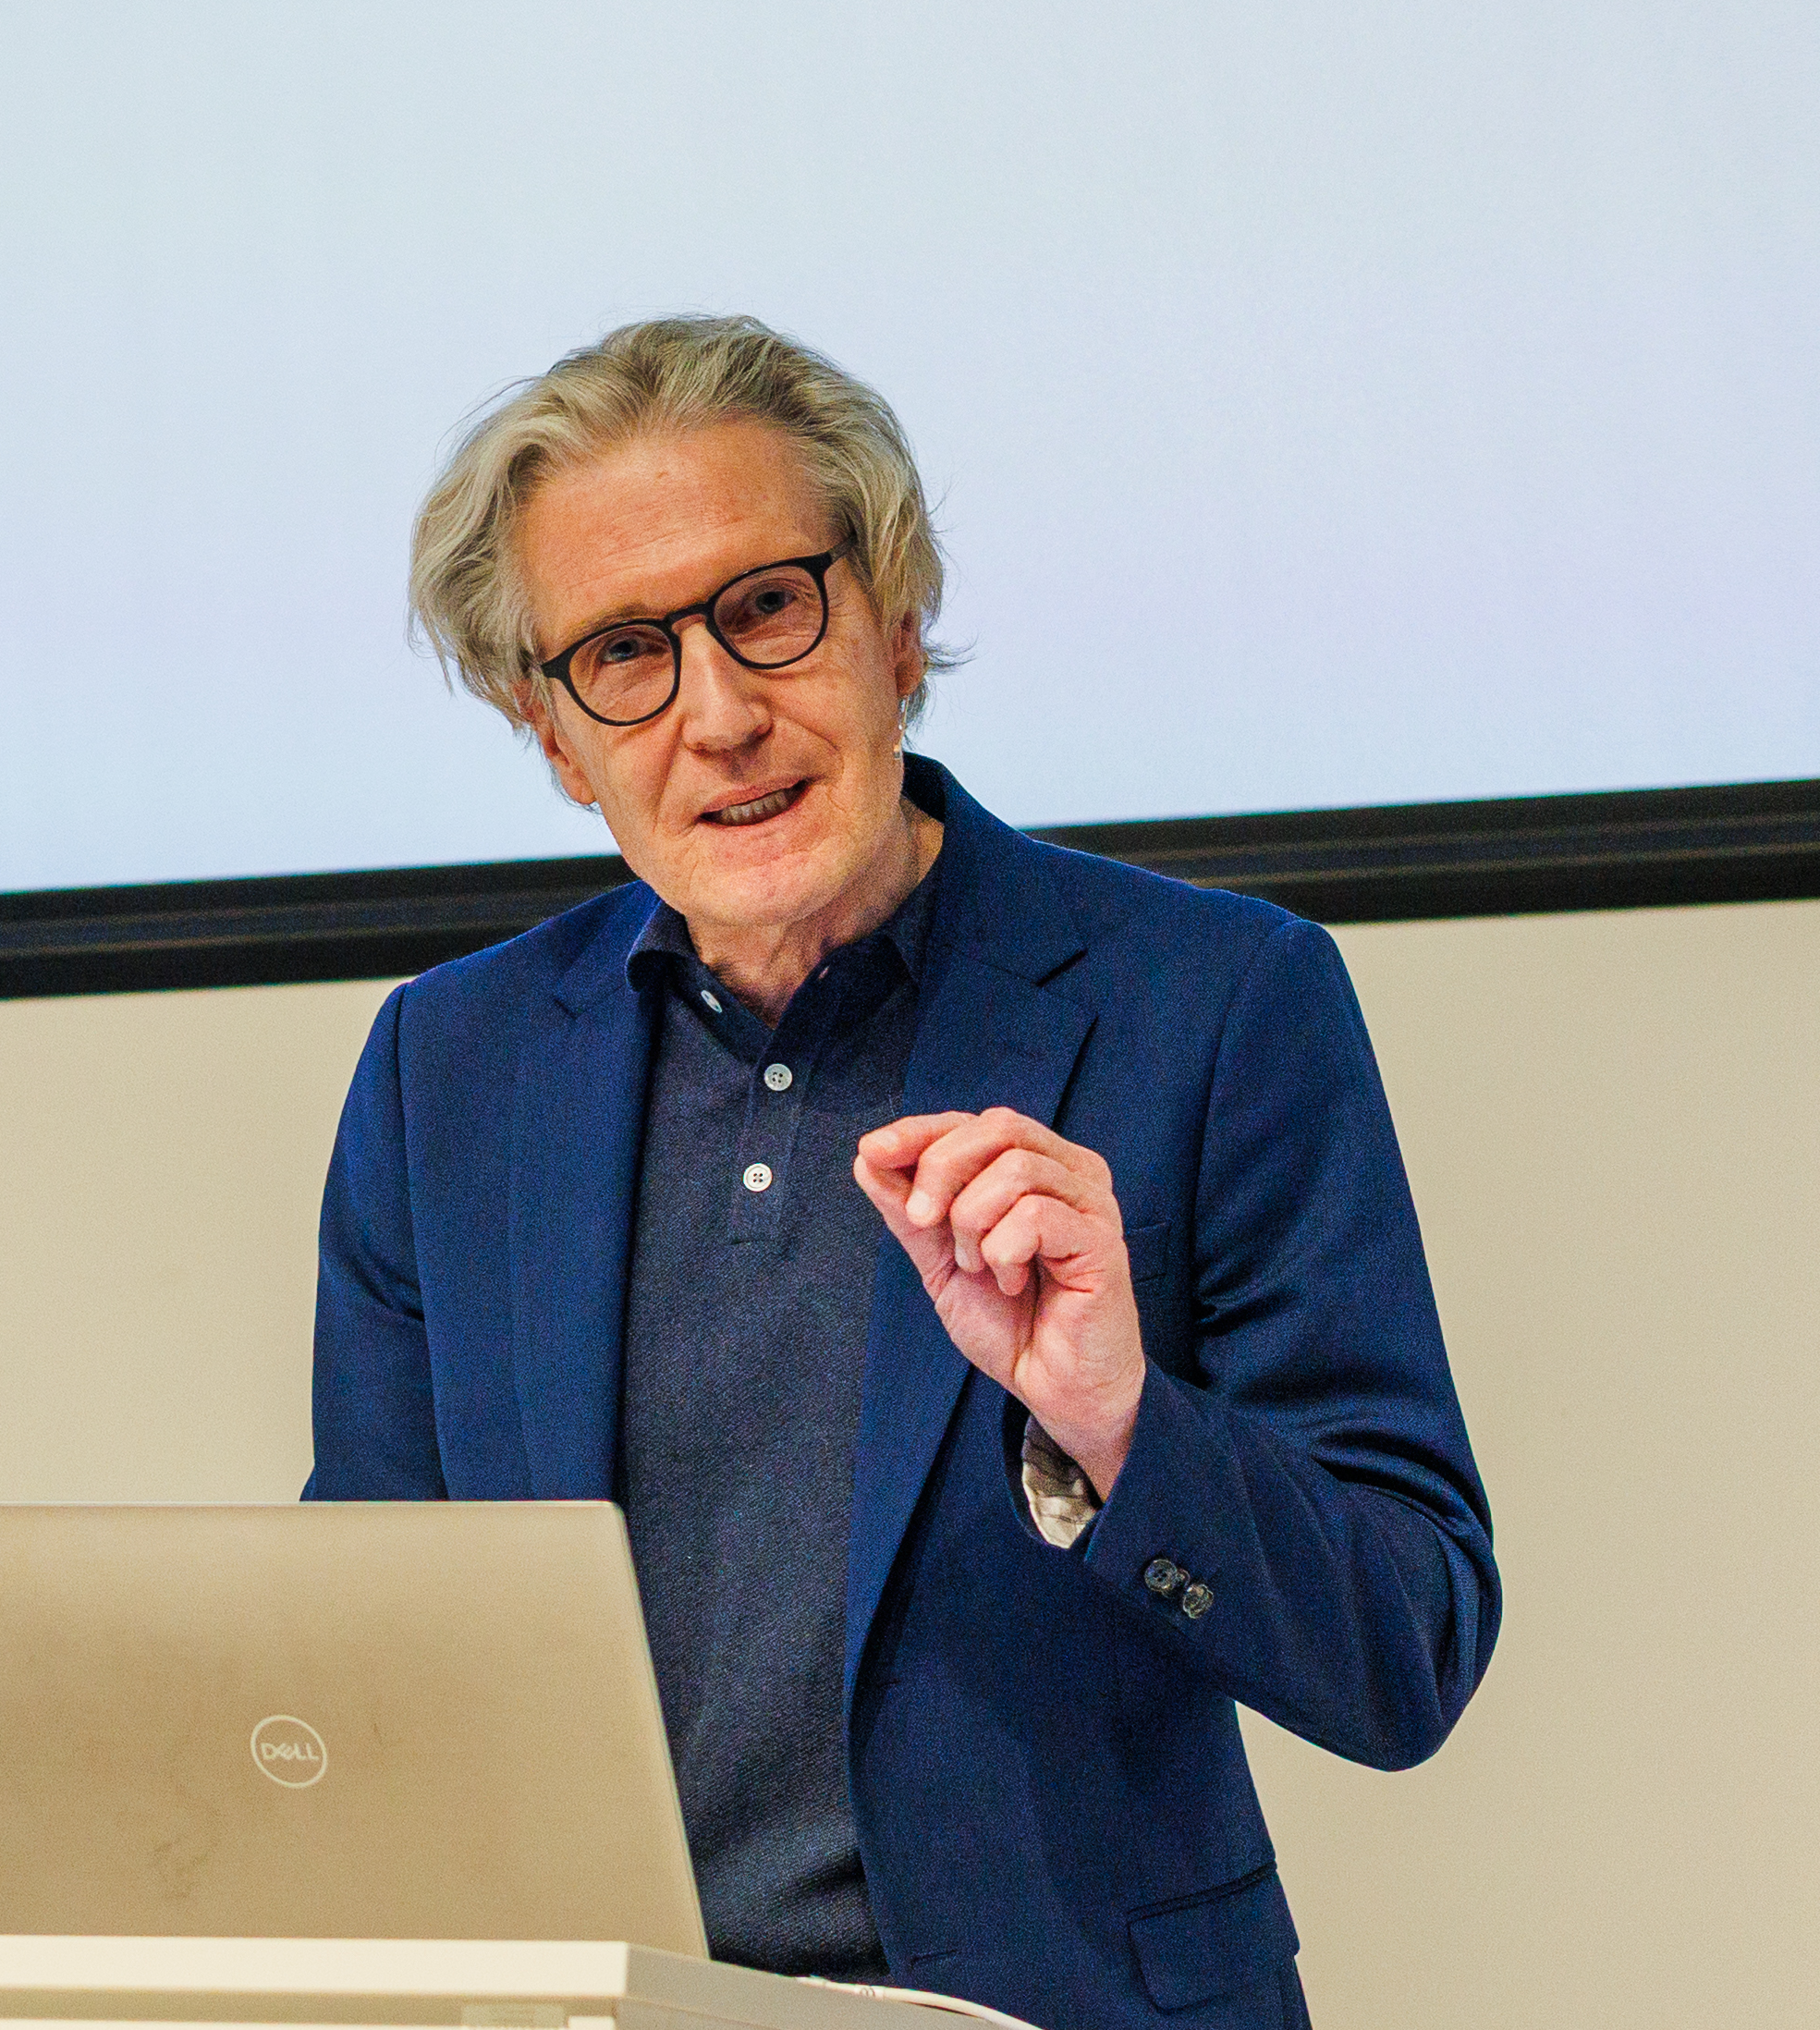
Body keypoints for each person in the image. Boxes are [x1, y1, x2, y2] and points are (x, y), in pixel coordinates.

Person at [304, 316, 1497, 2030]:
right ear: (553, 736)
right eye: (625, 655)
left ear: (896, 620)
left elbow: (1408, 1645)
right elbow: (374, 1643)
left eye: (767, 608)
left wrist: (1119, 1422)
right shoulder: (451, 1071)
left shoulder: (1214, 1006)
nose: (716, 714)